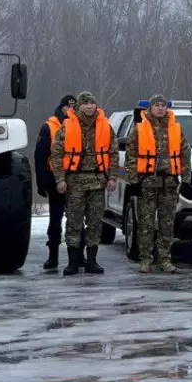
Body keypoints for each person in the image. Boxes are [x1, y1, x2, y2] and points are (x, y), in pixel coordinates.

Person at [50, 91, 119, 276]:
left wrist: (112, 177)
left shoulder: (105, 126)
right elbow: (56, 154)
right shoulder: (67, 126)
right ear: (78, 106)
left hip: (97, 182)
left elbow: (113, 154)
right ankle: (73, 262)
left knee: (95, 223)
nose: (90, 106)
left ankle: (92, 261)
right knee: (74, 223)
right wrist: (60, 179)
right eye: (86, 103)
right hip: (74, 182)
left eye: (92, 103)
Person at [125, 94, 191, 273]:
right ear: (151, 108)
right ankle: (146, 259)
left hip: (169, 182)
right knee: (146, 223)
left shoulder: (175, 127)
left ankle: (164, 259)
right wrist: (133, 181)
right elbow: (130, 155)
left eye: (163, 105)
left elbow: (185, 152)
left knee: (167, 223)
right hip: (147, 182)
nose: (161, 108)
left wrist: (186, 177)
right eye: (157, 105)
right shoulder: (139, 128)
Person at [34, 94, 83, 270]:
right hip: (55, 181)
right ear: (61, 108)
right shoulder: (49, 126)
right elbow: (40, 156)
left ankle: (80, 257)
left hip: (77, 180)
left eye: (73, 107)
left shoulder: (81, 125)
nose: (70, 110)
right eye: (67, 107)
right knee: (55, 220)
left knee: (77, 220)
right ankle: (52, 256)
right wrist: (42, 183)